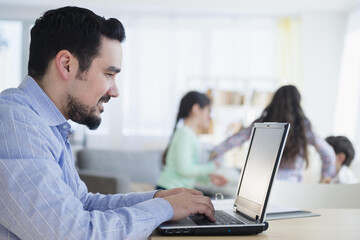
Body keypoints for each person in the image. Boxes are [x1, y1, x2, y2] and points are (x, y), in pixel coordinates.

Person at [0, 7, 216, 240]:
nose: (115, 91)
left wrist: (157, 199)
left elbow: (82, 203)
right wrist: (166, 209)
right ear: (66, 64)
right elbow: (74, 233)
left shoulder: (44, 124)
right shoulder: (14, 125)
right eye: (109, 74)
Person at [210, 85, 336, 183]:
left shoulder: (262, 123)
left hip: (263, 185)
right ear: (298, 103)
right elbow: (328, 153)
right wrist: (325, 178)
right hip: (293, 190)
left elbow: (234, 140)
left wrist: (212, 154)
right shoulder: (303, 127)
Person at [156, 91, 228, 190]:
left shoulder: (190, 135)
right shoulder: (184, 133)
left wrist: (209, 178)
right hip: (168, 189)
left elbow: (188, 170)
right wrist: (212, 166)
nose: (210, 118)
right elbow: (184, 169)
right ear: (196, 109)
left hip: (175, 190)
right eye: (209, 111)